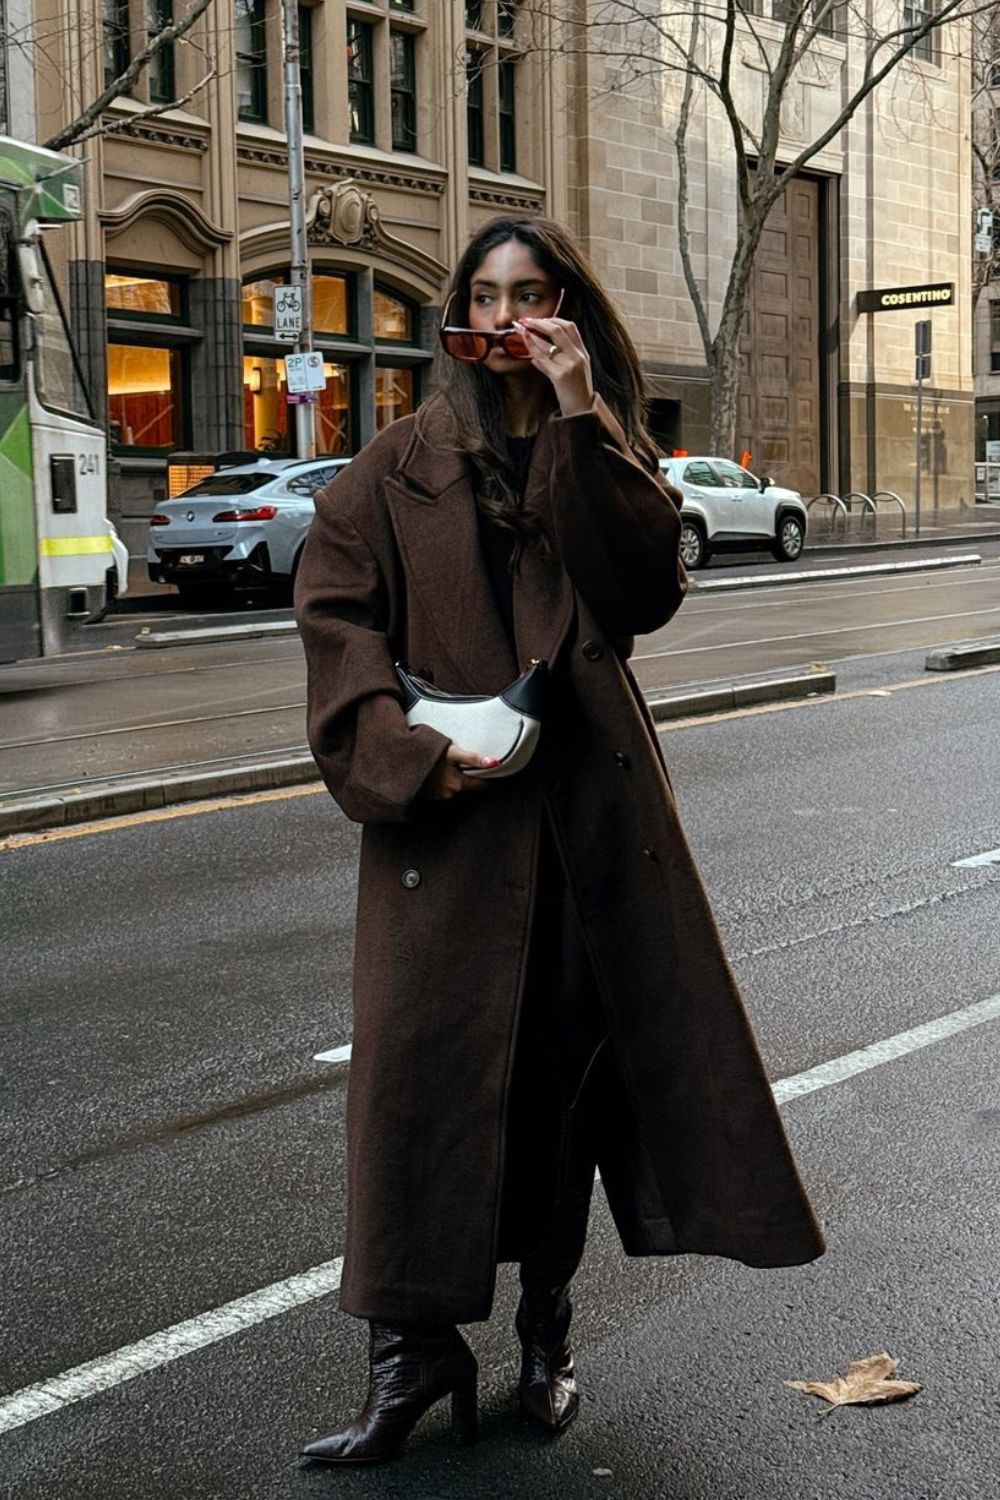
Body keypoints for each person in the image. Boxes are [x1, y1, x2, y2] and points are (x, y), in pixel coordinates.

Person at [294, 215, 824, 1466]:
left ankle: (545, 1335)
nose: (507, 320)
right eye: (485, 297)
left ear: (567, 311)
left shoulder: (603, 444)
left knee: (562, 1092)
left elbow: (643, 595)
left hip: (589, 823)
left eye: (532, 297)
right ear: (457, 321)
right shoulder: (393, 465)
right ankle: (410, 1357)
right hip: (451, 826)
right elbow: (334, 619)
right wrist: (413, 755)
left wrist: (583, 411)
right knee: (418, 1088)